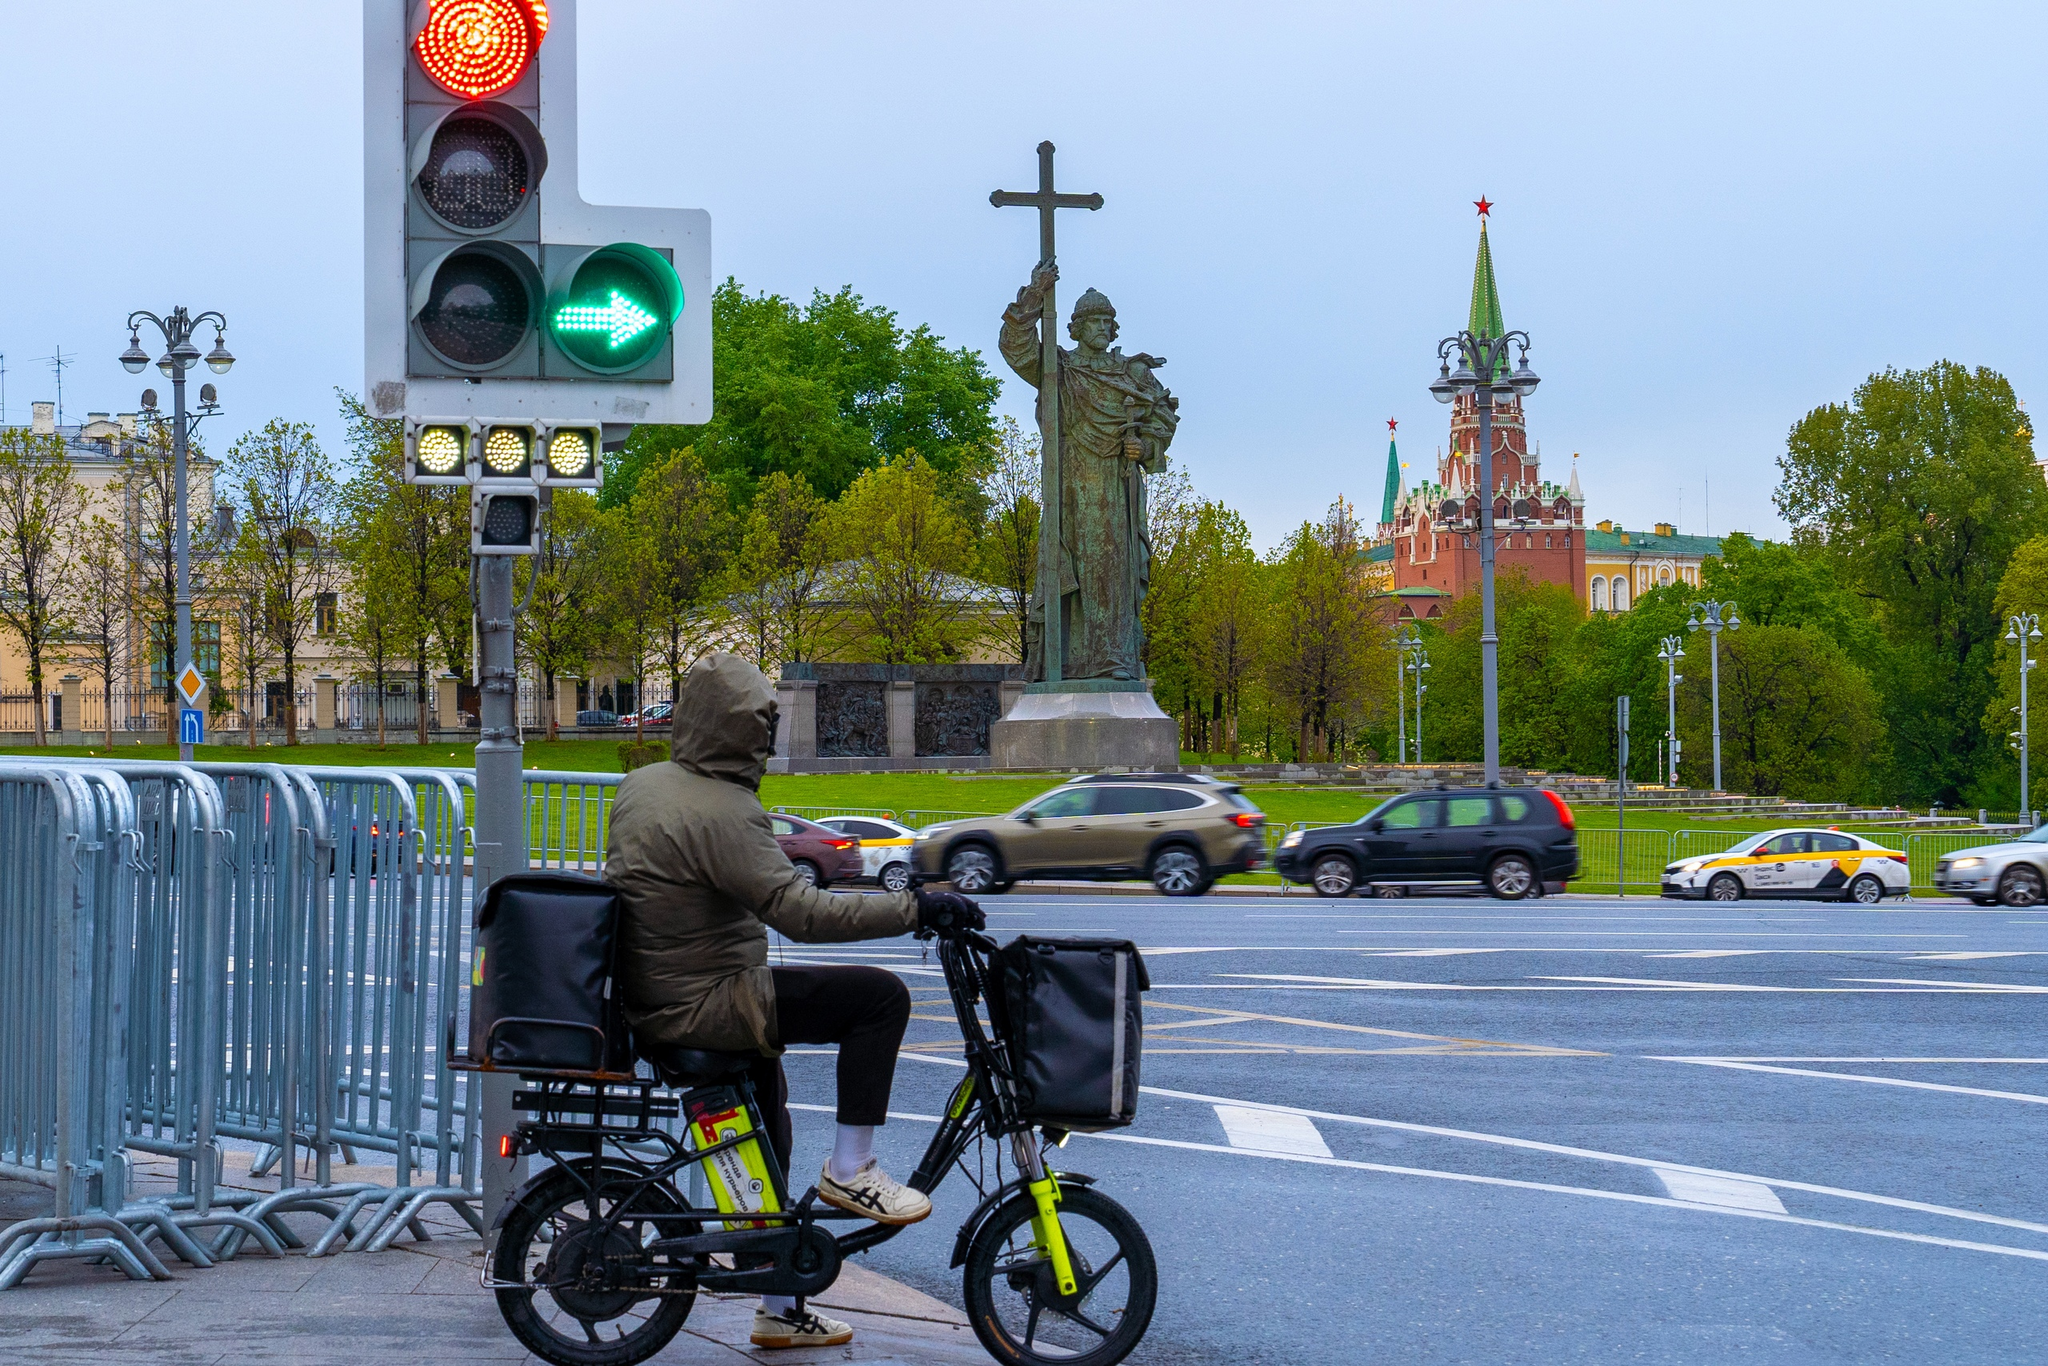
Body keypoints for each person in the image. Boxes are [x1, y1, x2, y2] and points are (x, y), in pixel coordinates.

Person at [604, 653, 983, 1351]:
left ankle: (779, 1308)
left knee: (766, 1131)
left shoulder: (648, 784)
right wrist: (915, 908)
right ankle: (852, 1172)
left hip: (664, 995)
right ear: (741, 730)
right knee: (877, 998)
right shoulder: (722, 809)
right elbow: (801, 914)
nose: (769, 743)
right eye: (763, 728)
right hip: (707, 1000)